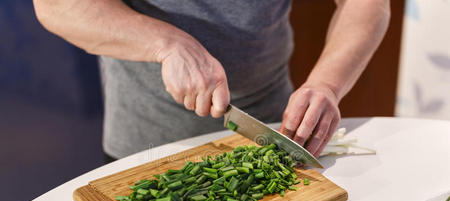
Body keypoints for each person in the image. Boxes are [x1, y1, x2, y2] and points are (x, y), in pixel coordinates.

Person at [33, 0, 390, 160]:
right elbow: (58, 5)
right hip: (146, 147)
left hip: (271, 132)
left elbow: (366, 4)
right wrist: (166, 43)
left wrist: (326, 84)